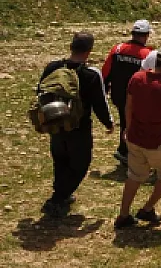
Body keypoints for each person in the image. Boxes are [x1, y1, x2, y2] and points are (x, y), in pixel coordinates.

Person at [39, 32, 114, 218]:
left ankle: (62, 193)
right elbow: (100, 102)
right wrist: (108, 122)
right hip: (79, 127)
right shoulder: (90, 73)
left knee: (60, 159)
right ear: (89, 51)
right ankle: (58, 198)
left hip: (54, 122)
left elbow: (40, 90)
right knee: (81, 163)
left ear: (71, 46)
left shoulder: (53, 67)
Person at [115, 44, 161, 229]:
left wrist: (128, 130)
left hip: (134, 137)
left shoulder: (137, 78)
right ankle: (147, 208)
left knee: (135, 175)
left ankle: (123, 214)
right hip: (157, 140)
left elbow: (128, 106)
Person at [102, 20, 153, 164]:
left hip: (118, 95)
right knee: (134, 123)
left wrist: (104, 90)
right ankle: (126, 151)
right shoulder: (148, 54)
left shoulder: (117, 49)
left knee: (125, 121)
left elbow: (105, 72)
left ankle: (127, 150)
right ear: (146, 35)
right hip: (138, 97)